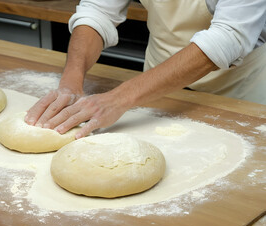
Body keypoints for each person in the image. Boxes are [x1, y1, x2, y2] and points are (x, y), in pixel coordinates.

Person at [24, 0, 266, 139]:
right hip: (156, 88)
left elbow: (229, 37)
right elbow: (97, 11)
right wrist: (71, 81)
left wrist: (119, 98)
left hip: (237, 91)